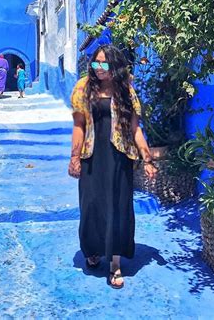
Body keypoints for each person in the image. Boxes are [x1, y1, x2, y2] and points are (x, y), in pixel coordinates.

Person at [68, 44, 156, 289]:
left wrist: (147, 158)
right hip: (91, 156)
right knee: (91, 205)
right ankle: (93, 249)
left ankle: (114, 263)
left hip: (119, 158)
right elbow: (79, 126)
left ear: (115, 66)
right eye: (95, 63)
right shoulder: (83, 88)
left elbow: (135, 129)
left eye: (104, 64)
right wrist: (74, 157)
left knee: (118, 208)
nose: (98, 68)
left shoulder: (126, 91)